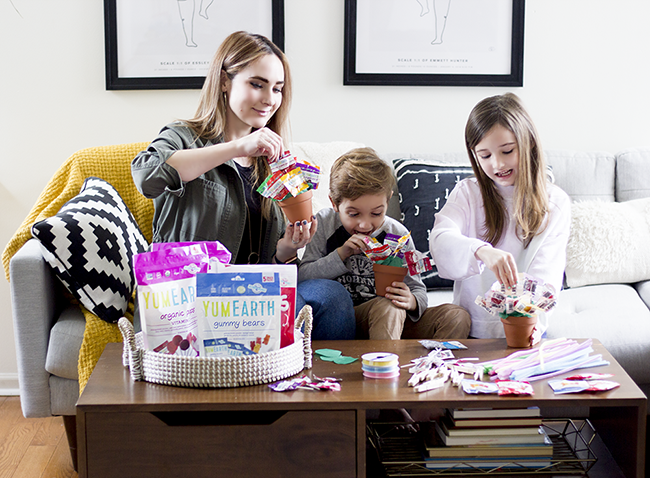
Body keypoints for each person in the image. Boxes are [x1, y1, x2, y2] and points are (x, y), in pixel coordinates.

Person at [131, 31, 351, 332]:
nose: (269, 99)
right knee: (272, 312)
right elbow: (147, 175)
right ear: (224, 81)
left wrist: (286, 250)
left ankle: (317, 380)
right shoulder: (184, 136)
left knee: (332, 297)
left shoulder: (273, 164)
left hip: (249, 300)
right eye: (257, 84)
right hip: (189, 299)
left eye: (277, 88)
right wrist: (237, 147)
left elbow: (269, 268)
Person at [429, 93, 571, 343]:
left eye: (507, 151)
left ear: (528, 143)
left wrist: (531, 325)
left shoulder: (554, 202)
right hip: (471, 327)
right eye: (484, 156)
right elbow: (441, 239)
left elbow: (546, 274)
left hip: (527, 327)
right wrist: (482, 251)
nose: (497, 164)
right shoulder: (468, 193)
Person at [299, 147, 471, 340]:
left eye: (376, 213)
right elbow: (303, 277)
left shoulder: (397, 234)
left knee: (456, 316)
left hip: (394, 321)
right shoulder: (324, 222)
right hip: (349, 319)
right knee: (388, 306)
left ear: (388, 200)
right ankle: (381, 368)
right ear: (335, 203)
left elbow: (418, 289)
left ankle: (429, 367)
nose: (365, 225)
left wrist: (412, 300)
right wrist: (341, 254)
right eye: (353, 214)